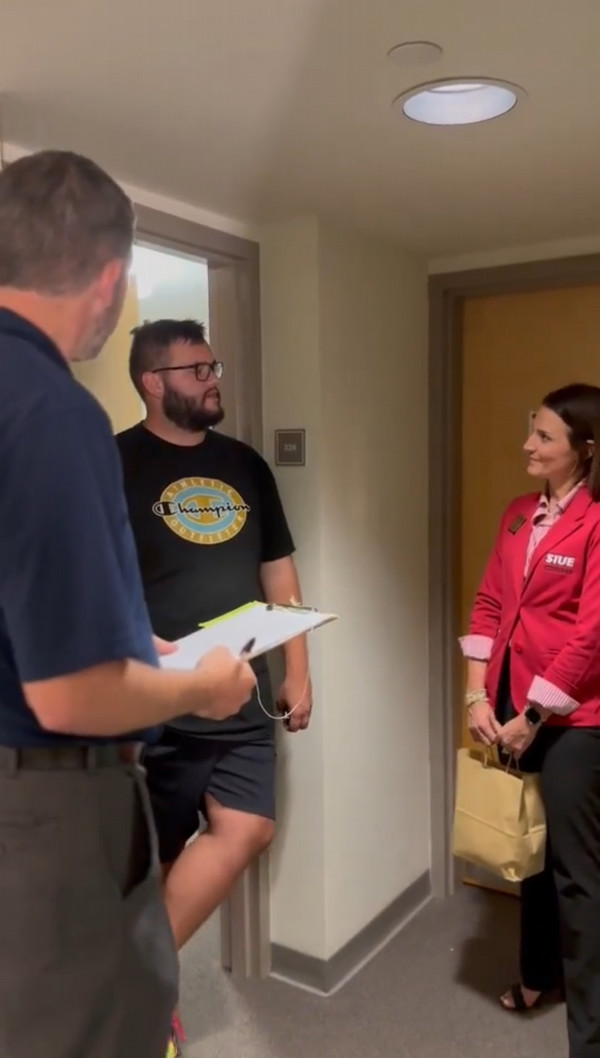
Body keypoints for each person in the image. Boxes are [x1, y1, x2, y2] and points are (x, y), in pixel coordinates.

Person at [0, 152, 257, 1058]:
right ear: (110, 282)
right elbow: (69, 695)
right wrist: (201, 685)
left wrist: (127, 638)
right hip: (40, 809)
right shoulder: (53, 410)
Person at [116, 318, 312, 1052]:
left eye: (213, 366)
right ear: (152, 382)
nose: (213, 379)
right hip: (155, 698)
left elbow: (278, 570)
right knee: (149, 864)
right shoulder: (110, 464)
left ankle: (131, 979)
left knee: (247, 826)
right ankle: (140, 1004)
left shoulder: (245, 463)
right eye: (197, 370)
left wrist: (297, 669)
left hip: (241, 688)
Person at [461, 383, 600, 1058]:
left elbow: (591, 635)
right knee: (532, 851)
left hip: (579, 721)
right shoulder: (519, 514)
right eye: (531, 431)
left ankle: (589, 1037)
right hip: (513, 706)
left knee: (577, 872)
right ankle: (539, 974)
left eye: (544, 436)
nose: (528, 445)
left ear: (586, 450)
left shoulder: (599, 520)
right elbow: (489, 604)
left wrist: (535, 714)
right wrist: (475, 697)